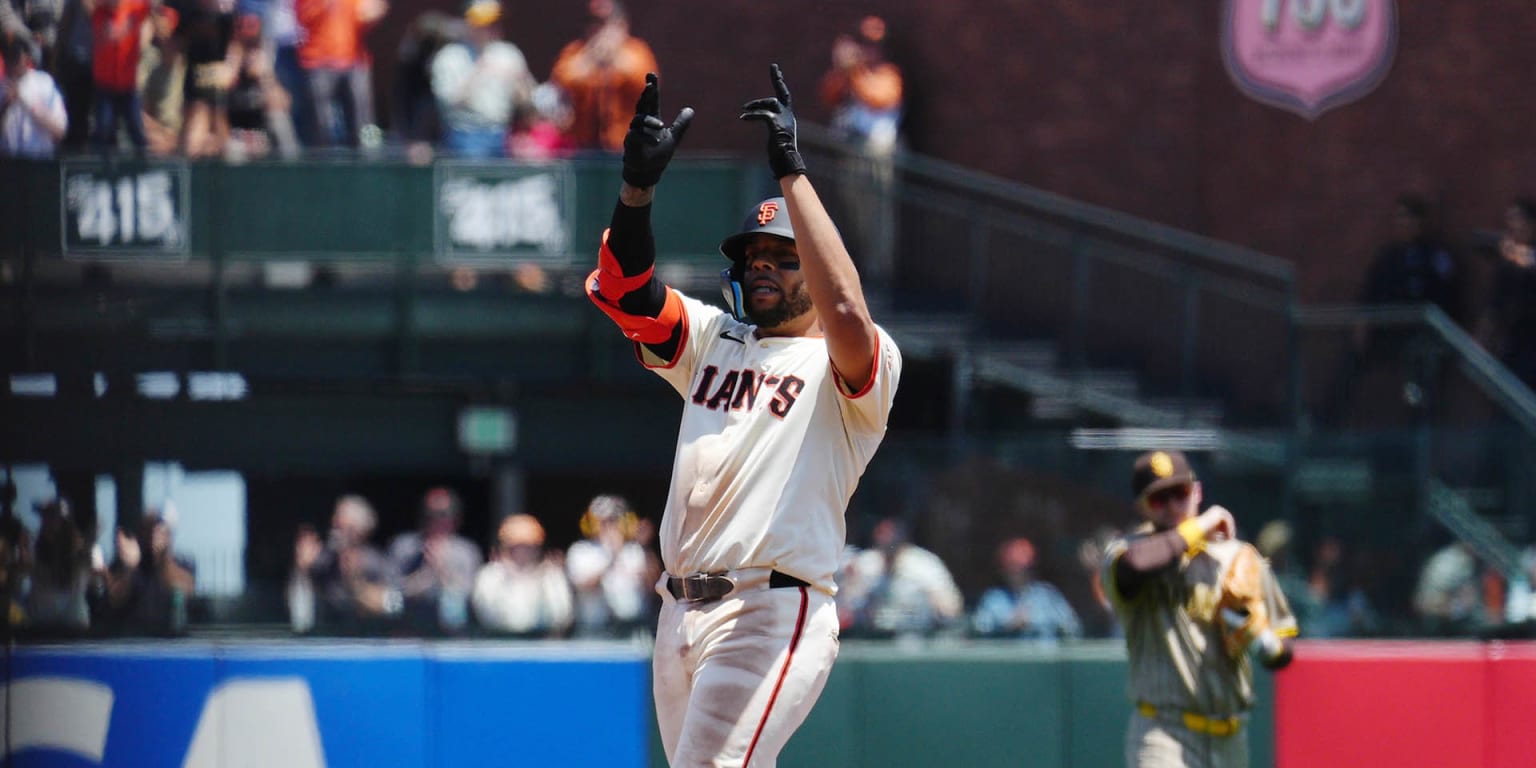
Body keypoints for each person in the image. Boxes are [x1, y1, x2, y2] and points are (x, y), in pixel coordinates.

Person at [585, 63, 902, 767]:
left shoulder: (848, 366)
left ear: (814, 271)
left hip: (770, 605)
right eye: (754, 254)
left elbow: (847, 309)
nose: (762, 265)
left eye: (782, 257)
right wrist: (636, 194)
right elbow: (624, 292)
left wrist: (793, 171)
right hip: (679, 613)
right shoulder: (714, 340)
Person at [1103, 450, 1297, 768]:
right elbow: (1135, 567)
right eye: (1158, 500)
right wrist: (1203, 523)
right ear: (1142, 507)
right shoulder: (1128, 551)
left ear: (1197, 492)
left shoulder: (1236, 557)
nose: (1173, 507)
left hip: (1231, 738)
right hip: (1164, 735)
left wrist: (1261, 640)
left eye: (1179, 494)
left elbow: (1285, 649)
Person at [817, 15, 903, 287]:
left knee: (876, 220)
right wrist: (842, 68)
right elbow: (828, 95)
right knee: (851, 216)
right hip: (849, 154)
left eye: (875, 44)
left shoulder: (889, 74)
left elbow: (878, 98)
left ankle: (880, 277)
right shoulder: (850, 76)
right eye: (863, 43)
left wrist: (854, 70)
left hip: (877, 154)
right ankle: (857, 272)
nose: (868, 50)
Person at [428, 0, 533, 158]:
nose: (491, 28)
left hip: (503, 135)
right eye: (484, 24)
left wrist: (521, 85)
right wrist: (479, 71)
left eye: (495, 23)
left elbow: (528, 101)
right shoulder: (450, 56)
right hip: (465, 136)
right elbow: (448, 102)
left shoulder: (509, 53)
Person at [547, 0, 654, 152]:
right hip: (583, 146)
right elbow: (562, 80)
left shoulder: (637, 50)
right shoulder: (575, 51)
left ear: (621, 23)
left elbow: (645, 83)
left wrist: (615, 56)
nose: (597, 28)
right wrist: (592, 56)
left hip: (627, 145)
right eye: (592, 21)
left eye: (603, 22)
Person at [287, 494, 399, 634]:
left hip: (369, 643)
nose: (335, 525)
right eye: (335, 521)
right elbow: (300, 618)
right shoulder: (324, 562)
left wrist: (355, 581)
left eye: (343, 526)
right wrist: (302, 570)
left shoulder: (377, 562)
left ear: (361, 532)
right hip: (326, 641)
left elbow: (393, 606)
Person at [840, 516, 964, 638]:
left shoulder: (925, 565)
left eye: (891, 542)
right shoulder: (867, 563)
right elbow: (846, 607)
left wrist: (933, 599)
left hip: (914, 637)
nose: (887, 546)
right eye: (883, 542)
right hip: (874, 636)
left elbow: (951, 609)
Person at [388, 486, 482, 635]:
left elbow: (469, 597)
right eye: (429, 515)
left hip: (453, 636)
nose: (435, 521)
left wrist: (443, 571)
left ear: (455, 519)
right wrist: (426, 576)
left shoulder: (467, 552)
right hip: (408, 632)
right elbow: (390, 598)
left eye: (442, 515)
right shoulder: (404, 547)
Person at [471, 513, 574, 636]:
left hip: (541, 641)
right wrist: (508, 577)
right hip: (499, 641)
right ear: (505, 547)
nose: (522, 552)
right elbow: (486, 613)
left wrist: (538, 580)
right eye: (516, 547)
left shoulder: (552, 575)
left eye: (528, 547)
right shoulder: (490, 575)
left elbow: (562, 616)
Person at [564, 493, 650, 637]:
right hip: (594, 629)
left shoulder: (634, 550)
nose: (610, 526)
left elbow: (651, 587)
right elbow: (584, 585)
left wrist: (645, 547)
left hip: (633, 626)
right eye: (603, 522)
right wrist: (612, 556)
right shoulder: (580, 550)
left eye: (615, 521)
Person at [101, 510, 196, 635]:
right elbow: (115, 599)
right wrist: (130, 567)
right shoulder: (127, 564)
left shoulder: (183, 563)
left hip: (172, 642)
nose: (153, 536)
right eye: (149, 530)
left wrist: (163, 558)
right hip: (134, 641)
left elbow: (186, 589)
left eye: (159, 530)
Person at [972, 536, 1082, 642]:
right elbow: (978, 632)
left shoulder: (1047, 595)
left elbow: (1073, 628)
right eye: (1013, 568)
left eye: (1024, 568)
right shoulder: (994, 599)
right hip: (1008, 659)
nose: (1019, 573)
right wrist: (1008, 626)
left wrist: (1056, 627)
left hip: (1046, 658)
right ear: (1004, 570)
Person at [0, 38, 68, 157]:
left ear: (27, 59)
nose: (12, 65)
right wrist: (5, 106)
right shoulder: (2, 86)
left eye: (16, 59)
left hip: (39, 159)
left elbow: (60, 130)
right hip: (7, 162)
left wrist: (28, 103)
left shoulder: (43, 82)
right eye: (9, 59)